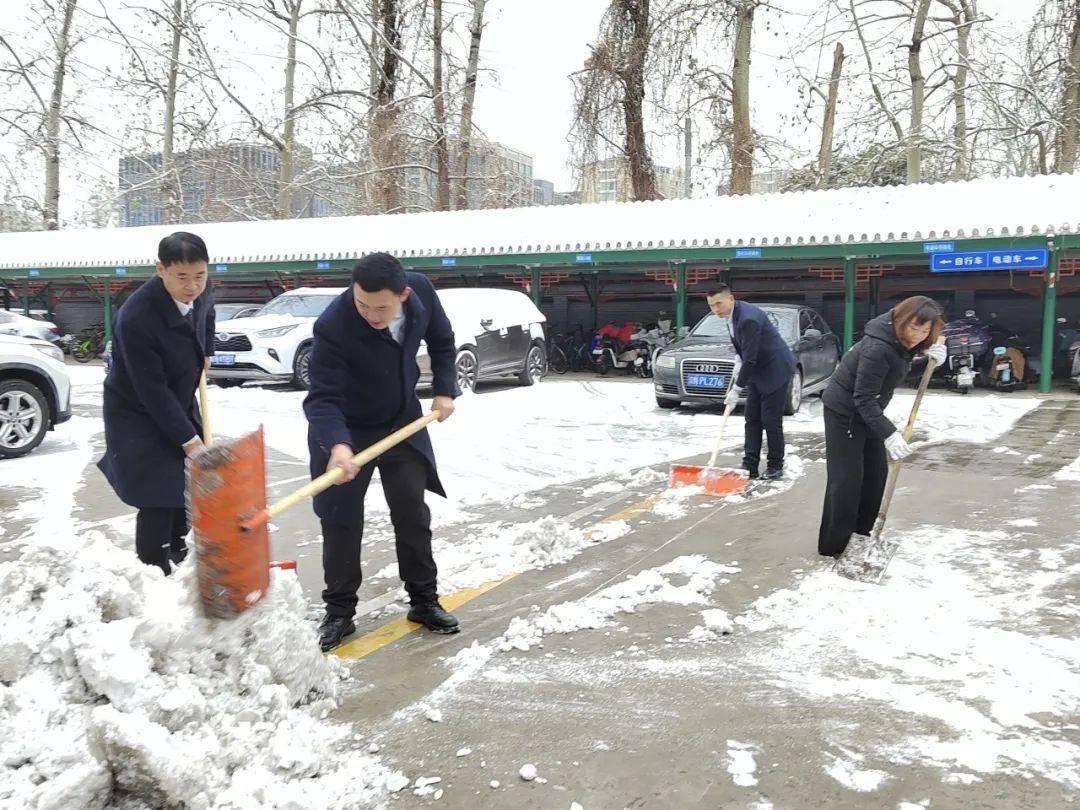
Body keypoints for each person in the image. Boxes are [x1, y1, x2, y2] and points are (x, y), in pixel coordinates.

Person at [304, 252, 460, 652]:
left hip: (400, 423)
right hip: (347, 430)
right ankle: (339, 613)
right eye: (362, 304)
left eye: (381, 307)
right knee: (340, 519)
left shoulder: (421, 292)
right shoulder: (334, 325)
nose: (371, 314)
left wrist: (444, 389)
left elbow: (442, 340)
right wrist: (338, 446)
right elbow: (322, 399)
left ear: (403, 295)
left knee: (411, 511)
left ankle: (424, 602)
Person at [97, 232, 215, 574]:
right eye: (182, 277)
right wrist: (189, 440)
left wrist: (206, 349)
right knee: (158, 490)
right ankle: (152, 568)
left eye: (200, 275)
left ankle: (179, 555)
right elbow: (152, 390)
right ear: (160, 269)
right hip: (136, 409)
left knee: (185, 486)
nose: (192, 285)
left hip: (178, 394)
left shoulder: (200, 287)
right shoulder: (137, 316)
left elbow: (207, 312)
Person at [817, 296, 945, 558]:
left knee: (875, 476)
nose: (918, 337)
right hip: (844, 412)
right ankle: (835, 545)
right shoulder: (878, 347)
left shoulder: (898, 343)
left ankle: (862, 538)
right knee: (847, 480)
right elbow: (862, 397)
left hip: (869, 411)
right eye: (914, 328)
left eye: (925, 332)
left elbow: (894, 369)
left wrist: (927, 361)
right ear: (901, 321)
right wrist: (889, 433)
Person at [706, 286, 798, 479]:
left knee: (770, 421)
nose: (715, 310)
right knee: (752, 419)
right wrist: (738, 361)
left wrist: (736, 389)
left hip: (775, 369)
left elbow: (750, 359)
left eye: (718, 304)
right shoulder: (731, 315)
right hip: (758, 370)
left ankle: (775, 466)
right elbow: (744, 351)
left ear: (730, 298)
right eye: (712, 306)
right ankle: (750, 466)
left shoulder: (748, 318)